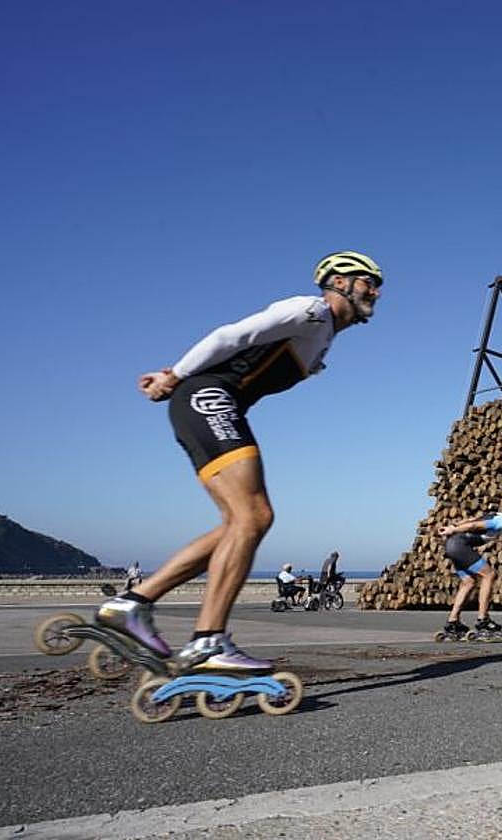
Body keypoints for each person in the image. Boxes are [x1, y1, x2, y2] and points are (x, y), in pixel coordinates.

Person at [93, 250, 384, 672]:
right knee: (255, 516)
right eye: (369, 282)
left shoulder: (323, 338)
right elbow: (230, 336)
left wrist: (176, 377)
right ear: (339, 281)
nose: (376, 292)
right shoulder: (310, 310)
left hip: (211, 403)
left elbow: (237, 359)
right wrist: (175, 375)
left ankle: (133, 603)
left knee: (239, 523)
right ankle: (208, 640)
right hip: (209, 401)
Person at [437, 497, 502, 637]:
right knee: (489, 575)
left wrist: (454, 525)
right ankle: (483, 620)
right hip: (459, 545)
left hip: (451, 545)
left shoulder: (496, 514)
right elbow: (474, 526)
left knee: (468, 582)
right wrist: (453, 529)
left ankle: (453, 622)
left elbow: (472, 520)